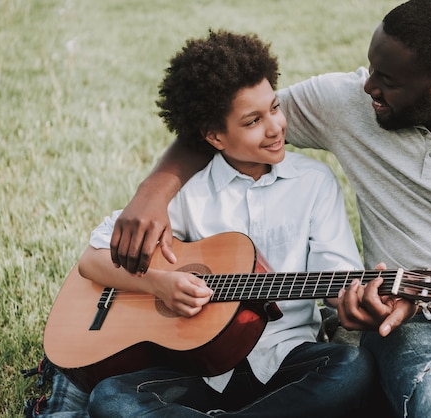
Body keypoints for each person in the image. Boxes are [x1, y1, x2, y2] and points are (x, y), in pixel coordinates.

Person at [109, 1, 431, 417]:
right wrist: (153, 192)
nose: (367, 87)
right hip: (406, 313)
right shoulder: (348, 101)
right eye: (370, 68)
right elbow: (224, 123)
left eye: (388, 81)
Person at [76, 30, 376, 417]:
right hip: (197, 367)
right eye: (253, 121)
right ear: (215, 135)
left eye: (275, 108)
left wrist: (354, 300)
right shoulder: (188, 192)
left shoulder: (314, 183)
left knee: (353, 370)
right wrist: (160, 283)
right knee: (111, 398)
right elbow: (92, 260)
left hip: (287, 357)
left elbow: (339, 275)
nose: (275, 127)